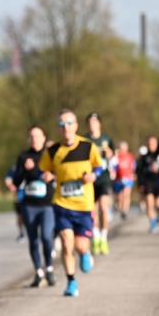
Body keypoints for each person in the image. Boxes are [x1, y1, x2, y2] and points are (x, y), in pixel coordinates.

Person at [38, 110, 103, 298]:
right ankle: (71, 281)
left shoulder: (88, 147)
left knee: (80, 246)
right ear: (59, 129)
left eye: (69, 123)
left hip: (84, 205)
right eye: (62, 125)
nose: (65, 128)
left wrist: (93, 175)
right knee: (67, 243)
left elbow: (99, 166)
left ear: (76, 126)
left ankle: (85, 253)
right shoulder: (53, 151)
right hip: (62, 203)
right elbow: (43, 171)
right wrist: (46, 176)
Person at [12, 126, 57, 287]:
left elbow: (59, 173)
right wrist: (25, 169)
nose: (34, 139)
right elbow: (16, 181)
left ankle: (49, 268)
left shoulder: (50, 155)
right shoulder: (24, 156)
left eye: (37, 136)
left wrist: (51, 175)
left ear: (44, 138)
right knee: (33, 240)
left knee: (46, 237)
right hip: (29, 205)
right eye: (31, 136)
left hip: (47, 205)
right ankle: (38, 272)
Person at [86, 113, 115, 255]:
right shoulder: (84, 140)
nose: (92, 124)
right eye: (90, 122)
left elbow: (113, 156)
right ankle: (96, 236)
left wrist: (110, 154)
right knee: (93, 211)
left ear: (99, 124)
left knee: (104, 208)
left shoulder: (106, 139)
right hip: (89, 179)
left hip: (103, 178)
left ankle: (104, 238)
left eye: (95, 122)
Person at [137, 136, 159, 232]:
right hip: (148, 182)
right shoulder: (144, 157)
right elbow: (139, 171)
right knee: (149, 203)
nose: (151, 145)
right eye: (150, 144)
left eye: (153, 143)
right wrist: (140, 184)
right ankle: (153, 223)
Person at [111, 141, 136, 219]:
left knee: (126, 194)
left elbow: (133, 166)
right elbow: (112, 166)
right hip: (118, 179)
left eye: (124, 148)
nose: (123, 150)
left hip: (128, 178)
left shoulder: (130, 156)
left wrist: (133, 174)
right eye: (121, 148)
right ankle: (120, 208)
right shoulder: (116, 157)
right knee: (119, 196)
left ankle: (125, 210)